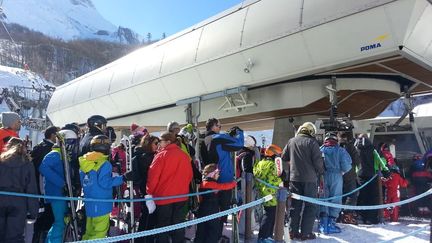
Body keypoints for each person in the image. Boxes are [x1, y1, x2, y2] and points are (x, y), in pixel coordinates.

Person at [201, 118, 244, 240]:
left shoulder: (205, 139)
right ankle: (217, 236)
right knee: (222, 211)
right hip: (223, 177)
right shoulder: (218, 138)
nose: (220, 129)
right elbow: (239, 144)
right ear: (214, 126)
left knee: (211, 211)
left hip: (210, 178)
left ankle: (209, 237)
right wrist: (239, 131)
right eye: (219, 126)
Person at [146, 132, 193, 243]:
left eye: (160, 141)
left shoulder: (161, 155)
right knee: (179, 225)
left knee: (163, 227)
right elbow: (189, 175)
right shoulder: (184, 155)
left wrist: (149, 192)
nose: (158, 144)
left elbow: (153, 177)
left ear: (167, 142)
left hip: (164, 197)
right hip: (181, 196)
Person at [281, 122, 324, 241]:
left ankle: (293, 232)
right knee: (310, 206)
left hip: (294, 179)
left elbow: (284, 157)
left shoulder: (291, 141)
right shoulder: (312, 143)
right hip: (310, 180)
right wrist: (321, 171)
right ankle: (306, 233)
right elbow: (318, 163)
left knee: (295, 206)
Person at [79, 135, 124, 240]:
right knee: (99, 233)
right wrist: (123, 178)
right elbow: (105, 183)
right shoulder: (104, 163)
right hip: (102, 203)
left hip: (90, 203)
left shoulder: (84, 161)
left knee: (89, 231)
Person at [39, 128, 78, 243]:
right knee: (60, 222)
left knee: (62, 221)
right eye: (70, 142)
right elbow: (43, 168)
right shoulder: (55, 154)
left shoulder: (64, 154)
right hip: (57, 193)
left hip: (63, 193)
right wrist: (62, 183)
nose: (72, 145)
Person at [0, 137, 38, 243]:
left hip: (1, 198)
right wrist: (33, 210)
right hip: (18, 200)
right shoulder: (27, 163)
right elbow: (31, 188)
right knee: (15, 237)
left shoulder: (1, 161)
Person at [124, 134, 160, 243]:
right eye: (155, 143)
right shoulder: (145, 157)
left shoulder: (149, 155)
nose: (157, 145)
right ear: (149, 143)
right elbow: (146, 175)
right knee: (148, 216)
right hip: (147, 190)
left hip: (150, 190)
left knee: (148, 216)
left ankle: (144, 238)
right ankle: (145, 239)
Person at [318, 132, 352, 234]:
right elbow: (347, 165)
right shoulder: (341, 150)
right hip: (336, 176)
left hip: (323, 176)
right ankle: (331, 224)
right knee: (336, 198)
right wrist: (342, 171)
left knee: (323, 198)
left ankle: (323, 224)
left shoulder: (320, 150)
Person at [194, 164, 236, 243]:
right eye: (217, 173)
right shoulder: (211, 184)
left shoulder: (203, 183)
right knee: (212, 232)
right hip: (211, 211)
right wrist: (234, 183)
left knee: (201, 232)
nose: (219, 175)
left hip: (202, 210)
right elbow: (225, 186)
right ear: (212, 174)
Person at [30, 126, 58, 242]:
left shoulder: (38, 147)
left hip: (35, 185)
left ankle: (36, 237)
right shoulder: (50, 149)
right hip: (46, 187)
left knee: (39, 216)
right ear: (52, 135)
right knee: (47, 215)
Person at [355, 134, 390, 224]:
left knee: (362, 196)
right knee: (373, 197)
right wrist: (386, 172)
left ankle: (361, 216)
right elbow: (382, 161)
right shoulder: (373, 149)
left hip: (359, 175)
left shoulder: (355, 149)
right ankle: (371, 218)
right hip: (372, 176)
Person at [254, 144, 283, 242]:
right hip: (271, 193)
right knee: (270, 215)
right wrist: (281, 179)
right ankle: (264, 237)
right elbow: (273, 179)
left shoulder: (261, 163)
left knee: (268, 214)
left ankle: (266, 236)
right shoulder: (272, 164)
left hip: (263, 191)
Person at [337, 131, 361, 225]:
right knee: (352, 195)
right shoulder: (350, 146)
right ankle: (348, 215)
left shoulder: (336, 147)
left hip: (338, 176)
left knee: (339, 195)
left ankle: (338, 215)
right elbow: (357, 160)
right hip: (350, 175)